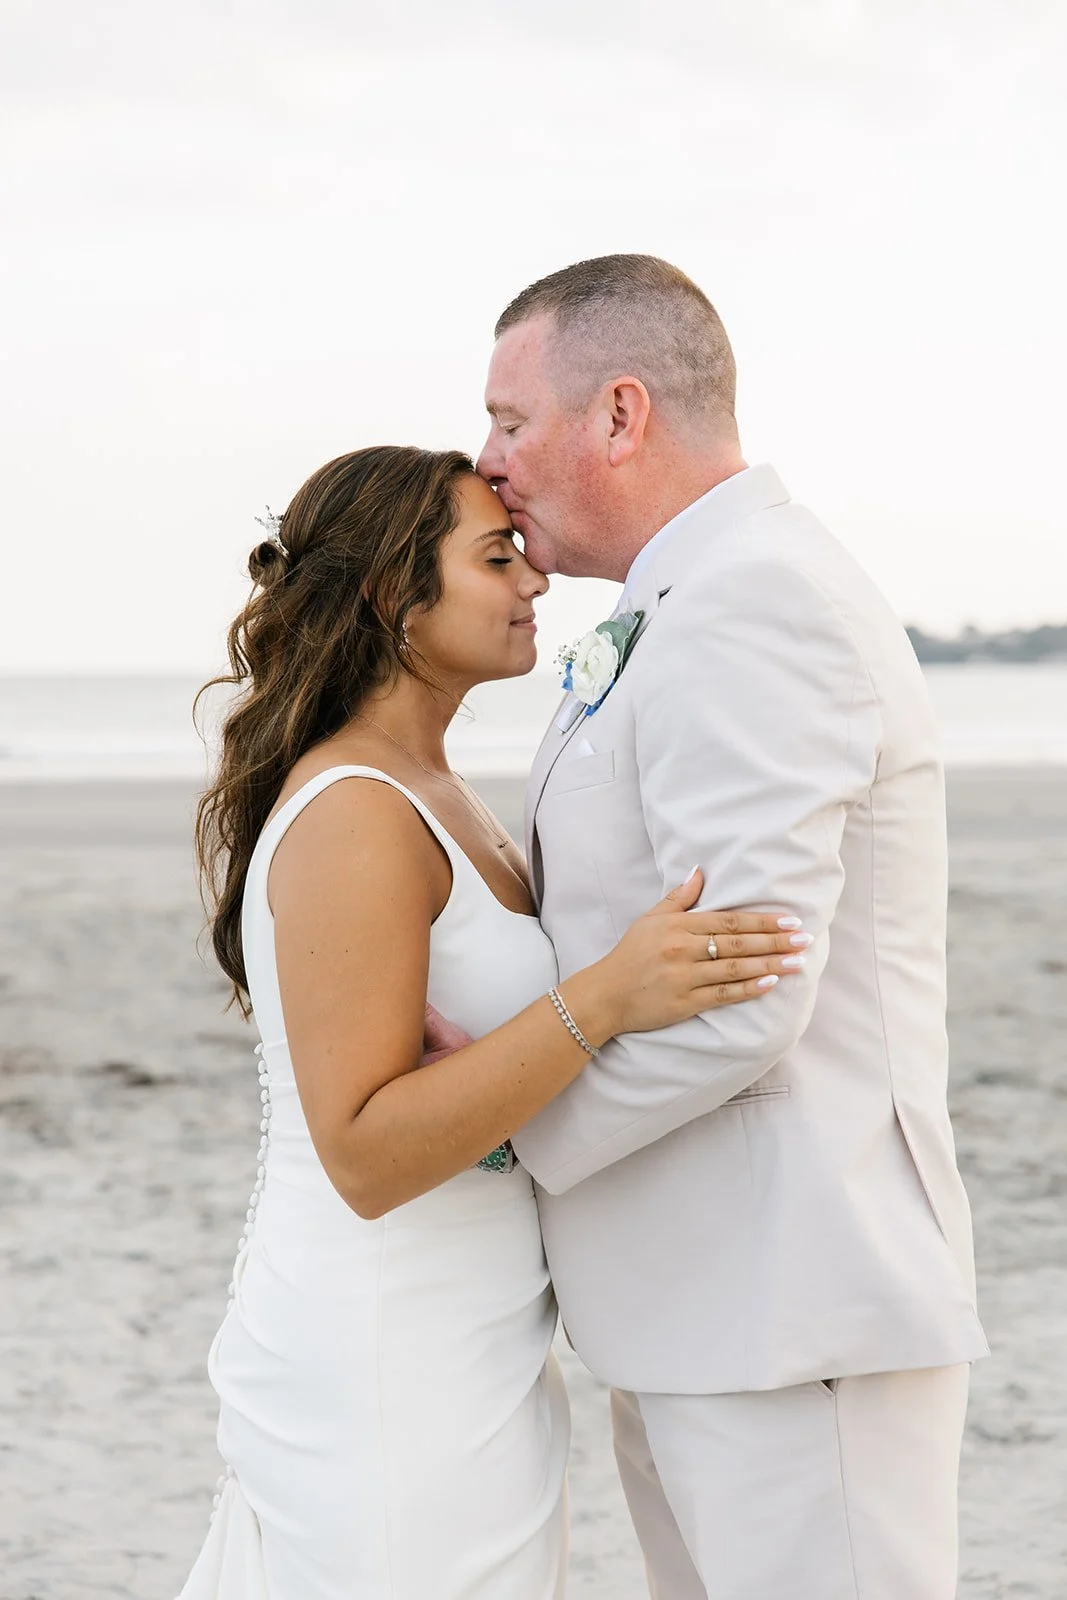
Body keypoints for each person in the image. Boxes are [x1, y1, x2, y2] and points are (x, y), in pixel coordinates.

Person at [176, 444, 807, 1599]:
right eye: (494, 556)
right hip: (382, 1336)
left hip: (480, 1328)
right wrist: (605, 996)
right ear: (389, 598)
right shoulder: (357, 814)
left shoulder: (442, 792)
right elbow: (364, 1153)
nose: (533, 583)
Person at [462, 254, 989, 1600]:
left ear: (619, 414)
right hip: (699, 1311)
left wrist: (506, 1137)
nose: (488, 460)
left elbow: (747, 994)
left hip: (790, 1316)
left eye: (510, 421)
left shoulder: (754, 597)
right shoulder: (679, 601)